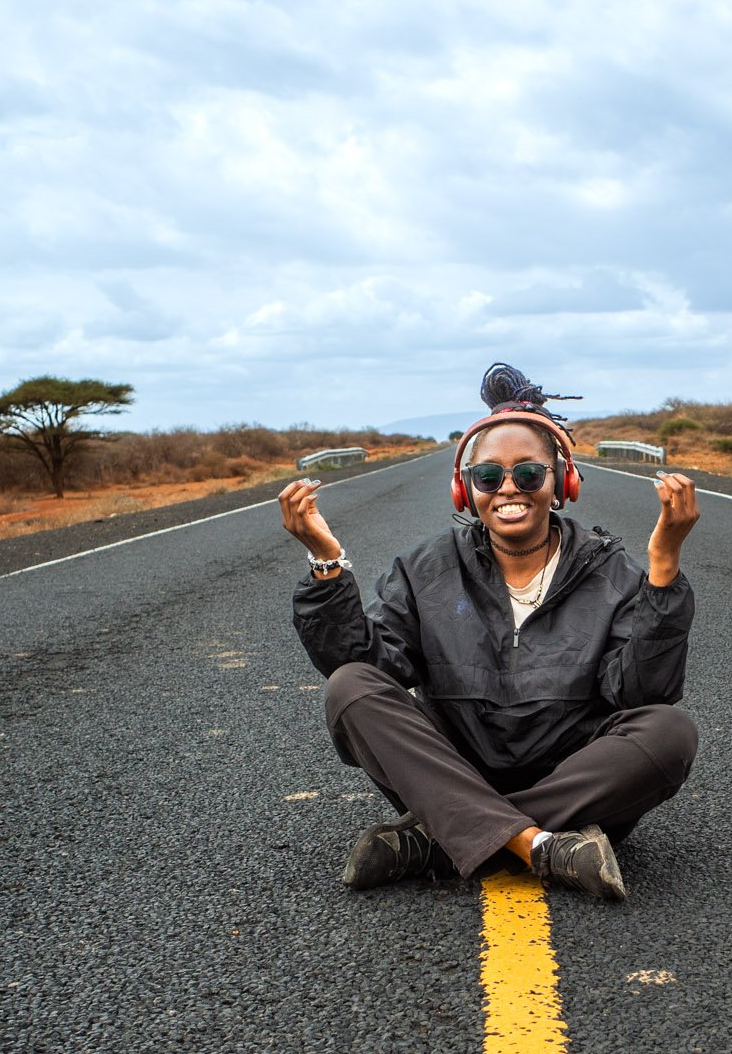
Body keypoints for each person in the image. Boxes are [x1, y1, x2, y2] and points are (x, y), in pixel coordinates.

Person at [280, 362, 701, 901]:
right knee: (350, 687)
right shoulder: (425, 568)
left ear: (561, 481)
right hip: (452, 767)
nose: (509, 489)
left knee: (669, 731)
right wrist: (326, 563)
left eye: (528, 474)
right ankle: (540, 846)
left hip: (572, 783)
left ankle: (438, 837)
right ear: (465, 488)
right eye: (488, 477)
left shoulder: (614, 574)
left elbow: (643, 695)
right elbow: (369, 663)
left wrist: (663, 566)